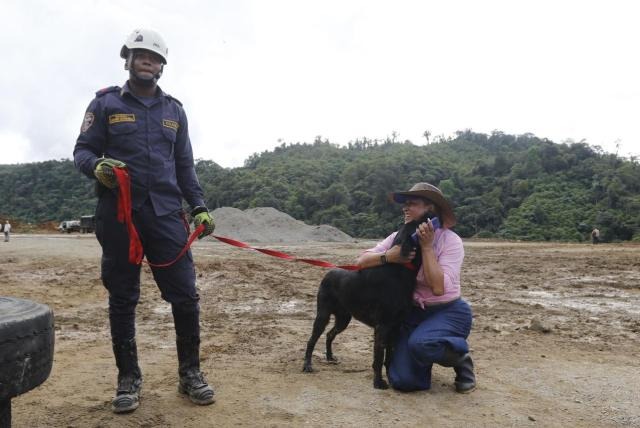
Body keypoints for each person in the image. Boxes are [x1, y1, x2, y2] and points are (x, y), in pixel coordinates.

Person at [73, 28, 216, 413]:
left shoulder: (175, 111)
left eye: (154, 58)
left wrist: (199, 206)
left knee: (185, 296)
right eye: (140, 56)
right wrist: (97, 166)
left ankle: (190, 374)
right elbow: (82, 151)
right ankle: (129, 379)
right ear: (129, 60)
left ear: (162, 66)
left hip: (168, 215)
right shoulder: (104, 104)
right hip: (119, 216)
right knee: (123, 298)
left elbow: (185, 166)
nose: (147, 62)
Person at [356, 182, 476, 393]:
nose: (405, 207)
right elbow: (361, 261)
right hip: (413, 312)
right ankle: (423, 357)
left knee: (421, 344)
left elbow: (438, 288)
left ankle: (460, 359)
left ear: (430, 209)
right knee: (404, 382)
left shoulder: (450, 241)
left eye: (412, 203)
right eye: (405, 204)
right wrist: (388, 256)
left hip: (447, 310)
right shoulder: (398, 237)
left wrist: (427, 247)